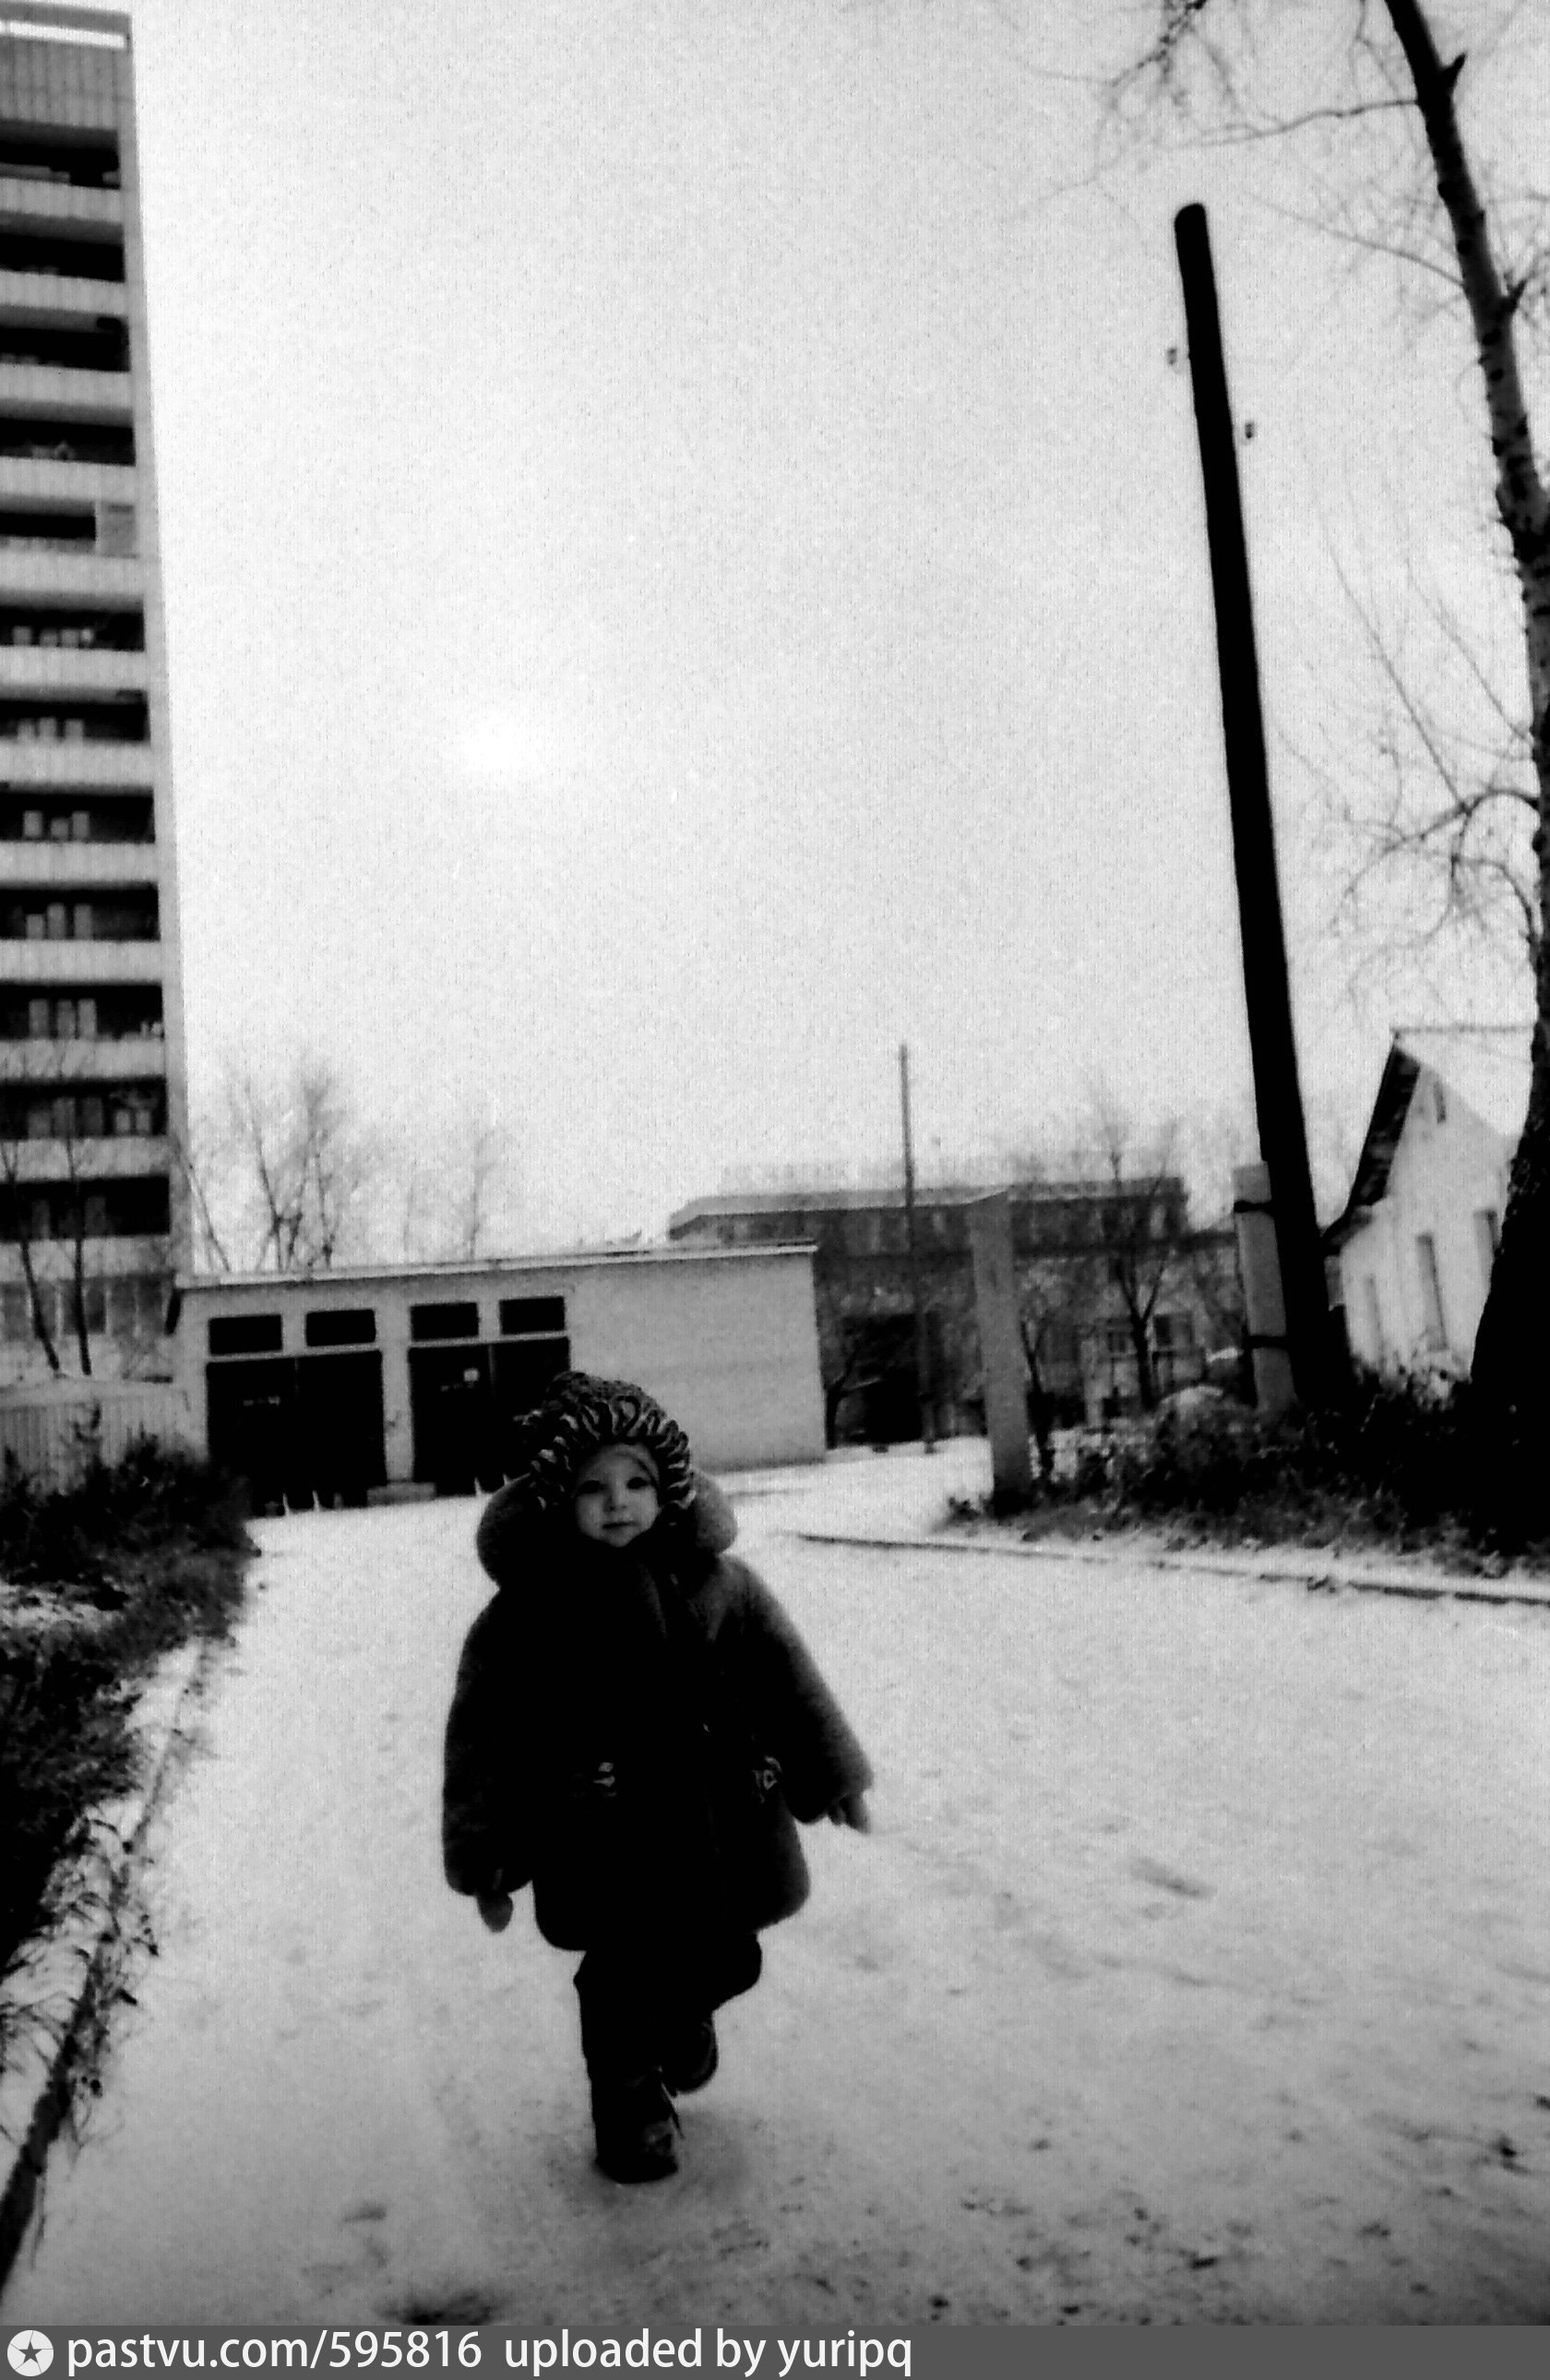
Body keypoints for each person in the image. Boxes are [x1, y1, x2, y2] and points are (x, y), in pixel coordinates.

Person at [442, 1370, 873, 2184]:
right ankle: (629, 2110)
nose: (618, 1502)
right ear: (556, 1498)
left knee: (729, 1957)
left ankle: (683, 2015)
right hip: (597, 1827)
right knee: (619, 1975)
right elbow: (482, 1734)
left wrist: (832, 1773)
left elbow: (785, 1678)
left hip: (717, 1820)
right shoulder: (527, 1615)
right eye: (592, 1486)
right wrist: (487, 1855)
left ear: (668, 1487)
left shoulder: (720, 1586)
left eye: (637, 1482)